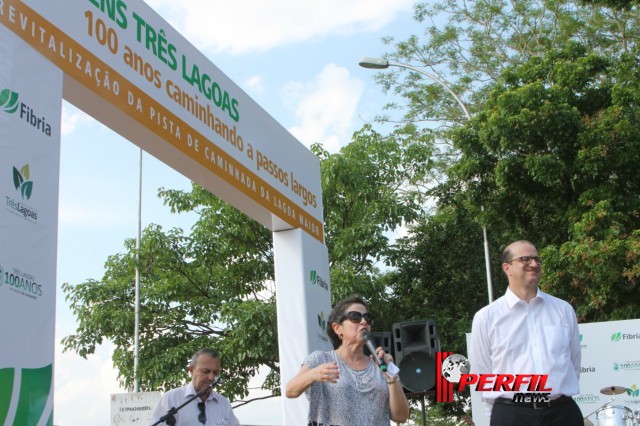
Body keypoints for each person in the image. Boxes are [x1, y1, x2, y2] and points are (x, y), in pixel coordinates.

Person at [469, 240, 582, 426]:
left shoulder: (563, 310)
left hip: (562, 413)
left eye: (537, 259)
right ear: (507, 268)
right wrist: (498, 414)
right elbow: (482, 374)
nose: (534, 264)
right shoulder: (486, 317)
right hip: (512, 414)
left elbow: (574, 361)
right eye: (525, 259)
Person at [285, 295, 410, 426]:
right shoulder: (321, 359)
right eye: (355, 317)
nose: (364, 322)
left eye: (367, 318)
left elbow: (401, 416)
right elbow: (290, 390)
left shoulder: (380, 365)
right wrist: (313, 375)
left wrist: (392, 379)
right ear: (337, 328)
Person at [151, 349, 239, 425]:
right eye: (206, 371)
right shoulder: (171, 399)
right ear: (191, 370)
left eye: (215, 373)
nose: (211, 378)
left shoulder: (223, 404)